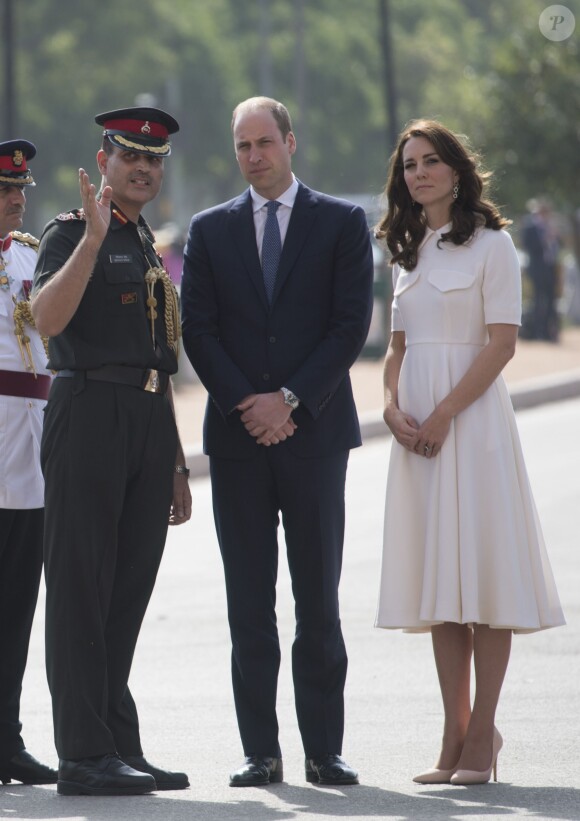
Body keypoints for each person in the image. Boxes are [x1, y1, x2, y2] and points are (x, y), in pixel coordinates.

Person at [181, 96, 373, 787]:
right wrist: (247, 402)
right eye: (243, 146)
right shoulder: (209, 230)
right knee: (248, 602)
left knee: (317, 598)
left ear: (291, 142)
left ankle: (325, 748)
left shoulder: (343, 223)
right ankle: (260, 750)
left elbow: (349, 324)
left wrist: (288, 399)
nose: (254, 156)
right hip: (237, 441)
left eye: (265, 142)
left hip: (314, 435)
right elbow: (196, 328)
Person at [374, 120, 565, 786]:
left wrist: (445, 414)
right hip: (417, 435)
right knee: (442, 591)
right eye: (409, 165)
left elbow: (503, 343)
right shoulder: (406, 251)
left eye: (430, 161)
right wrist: (393, 408)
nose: (418, 173)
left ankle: (484, 731)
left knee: (482, 579)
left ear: (457, 170)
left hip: (472, 429)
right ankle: (453, 734)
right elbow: (395, 352)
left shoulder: (494, 246)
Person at [31, 108, 192, 796]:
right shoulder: (71, 232)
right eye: (130, 156)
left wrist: (178, 462)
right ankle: (83, 753)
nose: (144, 168)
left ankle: (116, 739)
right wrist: (92, 242)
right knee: (80, 591)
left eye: (154, 160)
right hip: (89, 411)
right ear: (103, 161)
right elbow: (45, 321)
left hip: (147, 421)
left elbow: (161, 354)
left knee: (125, 592)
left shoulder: (148, 241)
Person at [0, 139, 58, 787]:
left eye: (19, 189)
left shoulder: (31, 257)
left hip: (28, 452)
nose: (17, 198)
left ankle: (6, 738)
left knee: (15, 607)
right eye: (5, 189)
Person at [521, 198, 561, 341]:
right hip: (537, 268)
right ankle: (538, 332)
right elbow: (528, 245)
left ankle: (549, 331)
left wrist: (554, 237)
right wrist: (544, 239)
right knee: (538, 299)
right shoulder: (530, 226)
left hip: (550, 267)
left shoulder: (549, 226)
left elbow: (558, 246)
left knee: (551, 299)